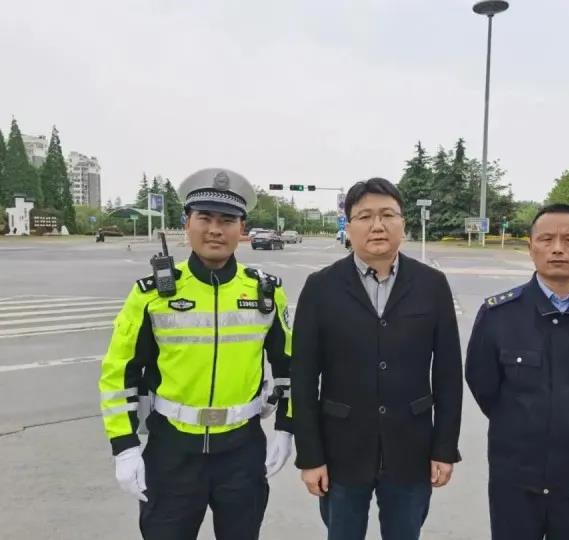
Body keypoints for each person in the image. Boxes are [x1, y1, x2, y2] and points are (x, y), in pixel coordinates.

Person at [98, 168, 294, 540]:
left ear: (242, 229)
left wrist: (286, 427)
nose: (215, 230)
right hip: (171, 453)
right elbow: (119, 373)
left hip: (242, 452)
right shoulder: (152, 295)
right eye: (205, 218)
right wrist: (124, 446)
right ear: (186, 223)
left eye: (227, 220)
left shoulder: (266, 293)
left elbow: (289, 367)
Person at [292, 177, 463, 540]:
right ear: (348, 226)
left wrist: (445, 448)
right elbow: (303, 378)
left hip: (412, 449)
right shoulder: (321, 287)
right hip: (340, 451)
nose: (378, 225)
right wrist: (310, 456)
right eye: (365, 216)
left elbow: (448, 373)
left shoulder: (432, 284)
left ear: (403, 222)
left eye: (387, 214)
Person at [465, 203, 569, 540]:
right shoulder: (498, 315)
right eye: (546, 239)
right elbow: (483, 386)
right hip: (516, 479)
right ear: (531, 247)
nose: (558, 248)